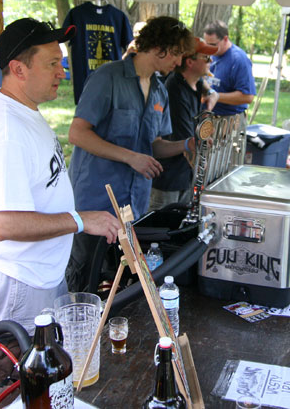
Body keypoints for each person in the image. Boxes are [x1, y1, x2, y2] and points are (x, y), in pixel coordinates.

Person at [0, 18, 120, 336]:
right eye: (52, 64)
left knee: (50, 373)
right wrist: (81, 221)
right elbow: (4, 225)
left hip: (38, 274)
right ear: (19, 69)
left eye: (61, 63)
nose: (62, 72)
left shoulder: (23, 112)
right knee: (22, 378)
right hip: (19, 283)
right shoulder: (6, 131)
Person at [66, 15, 195, 292]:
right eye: (177, 54)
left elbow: (154, 145)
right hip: (95, 198)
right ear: (161, 47)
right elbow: (77, 133)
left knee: (120, 280)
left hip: (133, 206)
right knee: (85, 275)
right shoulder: (108, 77)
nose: (179, 62)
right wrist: (129, 157)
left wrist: (186, 145)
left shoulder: (160, 91)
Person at [149, 38, 219, 211]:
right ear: (189, 62)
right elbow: (189, 142)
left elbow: (206, 88)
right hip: (168, 178)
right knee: (162, 227)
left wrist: (211, 94)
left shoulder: (193, 83)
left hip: (182, 176)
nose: (210, 62)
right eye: (206, 58)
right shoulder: (175, 89)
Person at [202, 20, 256, 117]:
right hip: (208, 117)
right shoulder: (209, 55)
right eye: (206, 43)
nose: (209, 48)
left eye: (213, 44)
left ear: (225, 39)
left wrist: (215, 96)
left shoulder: (239, 60)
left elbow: (247, 97)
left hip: (229, 120)